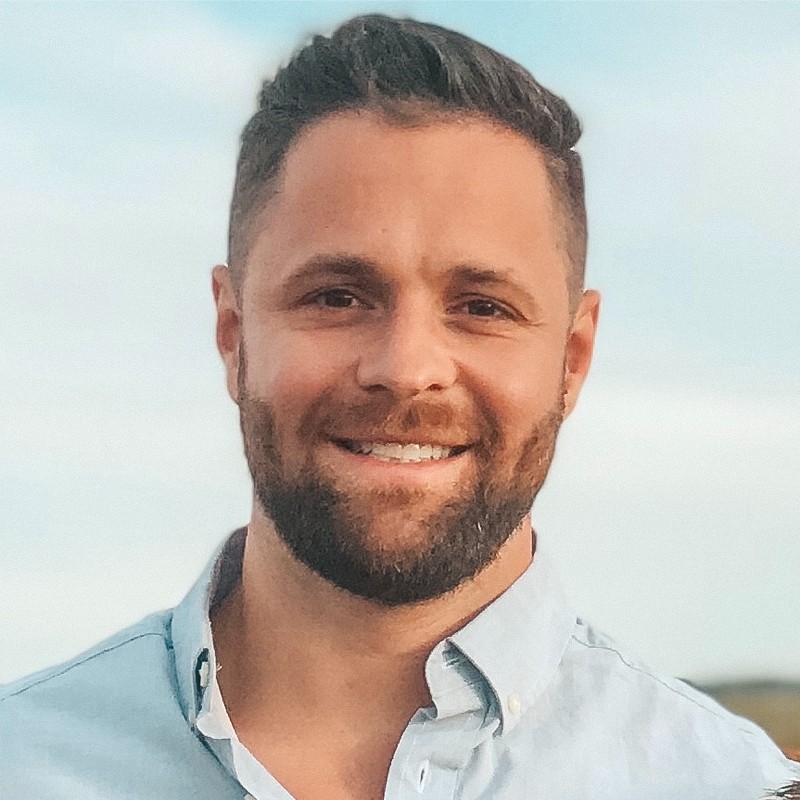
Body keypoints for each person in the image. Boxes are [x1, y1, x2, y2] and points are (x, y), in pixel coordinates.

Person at [1, 14, 797, 800]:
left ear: (573, 357)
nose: (406, 369)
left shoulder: (726, 784)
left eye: (482, 306)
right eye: (338, 296)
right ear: (233, 334)